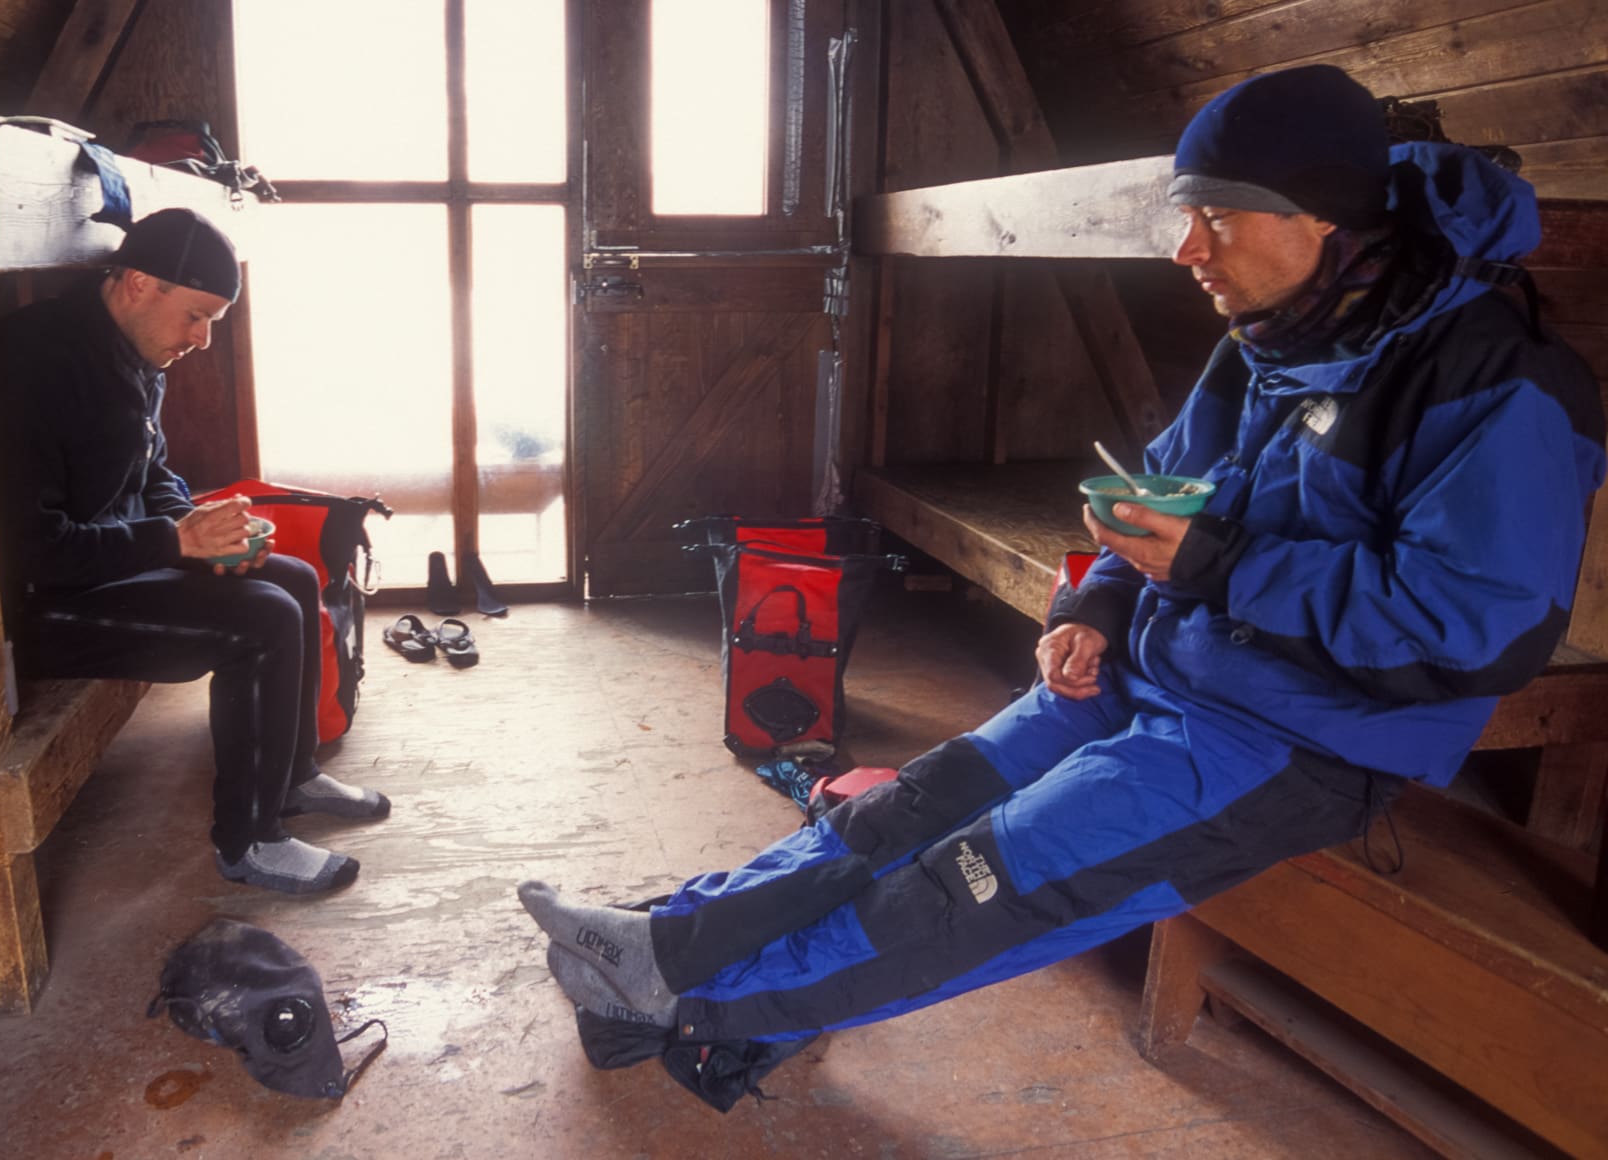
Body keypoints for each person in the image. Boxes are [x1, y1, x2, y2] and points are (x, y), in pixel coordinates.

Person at [517, 64, 1607, 1058]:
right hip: (1157, 665)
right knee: (907, 807)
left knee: (982, 877)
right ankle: (669, 942)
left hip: (1301, 738)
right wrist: (1096, 604)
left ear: (1322, 219)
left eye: (1214, 219)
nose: (1187, 252)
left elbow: (1470, 631)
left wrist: (1214, 565)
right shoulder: (1273, 335)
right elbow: (1161, 500)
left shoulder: (1497, 389)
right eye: (1185, 218)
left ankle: (682, 1012)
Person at [0, 207, 388, 896]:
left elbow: (153, 473)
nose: (201, 339)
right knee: (261, 620)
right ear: (141, 283)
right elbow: (30, 553)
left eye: (212, 323)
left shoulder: (134, 351)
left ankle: (292, 778)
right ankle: (250, 842)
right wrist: (176, 540)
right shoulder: (32, 362)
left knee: (288, 576)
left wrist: (202, 527)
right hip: (42, 607)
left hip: (108, 566)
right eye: (195, 316)